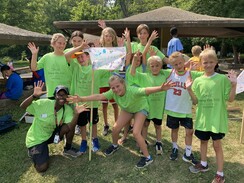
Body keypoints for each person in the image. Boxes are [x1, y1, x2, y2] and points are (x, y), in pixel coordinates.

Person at [67, 75, 175, 168]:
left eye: (117, 86)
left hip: (140, 109)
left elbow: (146, 90)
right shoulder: (112, 92)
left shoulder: (132, 90)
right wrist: (81, 99)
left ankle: (148, 157)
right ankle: (114, 145)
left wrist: (161, 88)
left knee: (137, 132)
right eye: (113, 87)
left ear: (123, 83)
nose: (116, 89)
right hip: (127, 109)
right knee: (115, 129)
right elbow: (99, 96)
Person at [186, 49, 237, 183]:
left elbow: (230, 99)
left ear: (216, 62)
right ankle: (203, 164)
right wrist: (189, 89)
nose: (208, 65)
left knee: (217, 145)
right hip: (203, 119)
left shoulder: (221, 79)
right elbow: (195, 101)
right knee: (203, 142)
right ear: (201, 63)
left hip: (217, 120)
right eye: (205, 62)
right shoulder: (198, 81)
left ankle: (220, 174)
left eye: (211, 62)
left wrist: (233, 85)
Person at [20, 81, 88, 172]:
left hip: (50, 135)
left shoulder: (67, 109)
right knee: (42, 168)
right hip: (36, 139)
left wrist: (76, 114)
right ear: (55, 96)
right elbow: (22, 106)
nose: (61, 97)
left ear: (67, 97)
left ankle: (67, 148)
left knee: (69, 125)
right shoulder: (44, 103)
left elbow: (70, 127)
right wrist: (34, 96)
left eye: (64, 95)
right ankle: (33, 151)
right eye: (59, 94)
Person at [129, 30, 166, 155]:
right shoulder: (145, 75)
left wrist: (188, 65)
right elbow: (133, 72)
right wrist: (134, 62)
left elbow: (177, 71)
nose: (154, 68)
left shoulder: (164, 74)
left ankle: (159, 142)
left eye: (157, 66)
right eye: (152, 66)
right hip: (147, 107)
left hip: (158, 108)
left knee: (157, 126)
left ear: (161, 67)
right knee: (145, 125)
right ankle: (142, 141)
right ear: (148, 66)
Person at [65, 42, 103, 154]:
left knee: (93, 121)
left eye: (82, 56)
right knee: (82, 123)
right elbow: (66, 56)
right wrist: (79, 47)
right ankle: (83, 141)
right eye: (78, 57)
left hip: (92, 100)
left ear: (88, 56)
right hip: (79, 102)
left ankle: (95, 139)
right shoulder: (76, 67)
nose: (80, 59)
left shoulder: (95, 68)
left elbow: (110, 66)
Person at [164, 52, 202, 163]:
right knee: (174, 130)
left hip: (186, 109)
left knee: (189, 131)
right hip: (173, 109)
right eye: (175, 64)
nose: (179, 65)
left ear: (184, 61)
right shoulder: (168, 73)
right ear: (172, 65)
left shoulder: (190, 73)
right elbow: (153, 70)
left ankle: (188, 153)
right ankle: (175, 147)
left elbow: (206, 75)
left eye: (180, 63)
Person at [28, 33, 72, 98]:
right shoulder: (47, 57)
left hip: (67, 93)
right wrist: (34, 54)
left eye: (64, 43)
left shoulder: (68, 57)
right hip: (52, 93)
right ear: (53, 43)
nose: (62, 45)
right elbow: (34, 68)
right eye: (59, 43)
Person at [99, 27, 120, 136]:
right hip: (102, 81)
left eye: (110, 36)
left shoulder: (117, 50)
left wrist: (114, 66)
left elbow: (119, 63)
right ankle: (106, 124)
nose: (108, 38)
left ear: (113, 38)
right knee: (104, 105)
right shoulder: (99, 51)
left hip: (114, 80)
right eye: (106, 36)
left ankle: (117, 124)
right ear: (103, 37)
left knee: (115, 104)